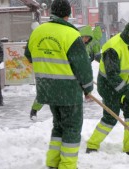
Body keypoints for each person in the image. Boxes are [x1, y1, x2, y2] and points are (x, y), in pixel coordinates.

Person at [24, 0, 93, 168]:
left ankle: (52, 161)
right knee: (71, 128)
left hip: (47, 90)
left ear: (52, 13)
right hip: (68, 91)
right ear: (67, 15)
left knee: (58, 126)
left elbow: (29, 55)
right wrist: (88, 88)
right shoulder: (71, 34)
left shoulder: (38, 32)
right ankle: (68, 165)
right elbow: (82, 66)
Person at [86, 18, 129, 156]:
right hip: (108, 86)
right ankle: (92, 145)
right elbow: (112, 74)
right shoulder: (113, 46)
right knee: (111, 117)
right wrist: (127, 90)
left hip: (125, 85)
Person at [29, 24, 94, 120]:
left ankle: (65, 116)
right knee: (45, 93)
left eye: (88, 38)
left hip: (72, 75)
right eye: (85, 37)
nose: (86, 40)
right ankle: (34, 111)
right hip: (60, 72)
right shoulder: (72, 42)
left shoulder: (85, 46)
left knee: (67, 95)